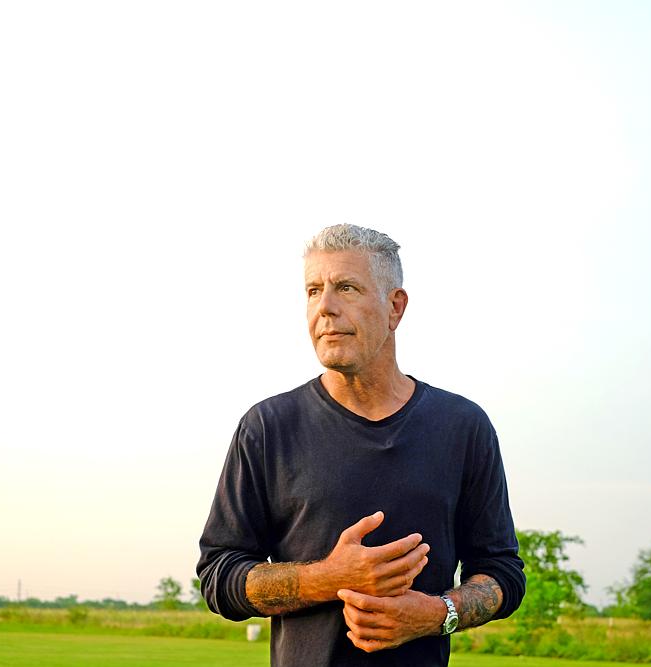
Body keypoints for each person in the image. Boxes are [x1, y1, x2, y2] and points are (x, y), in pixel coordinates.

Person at [197, 224, 525, 666]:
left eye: (346, 288)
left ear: (395, 307)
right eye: (313, 291)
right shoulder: (267, 427)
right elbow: (219, 576)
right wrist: (328, 577)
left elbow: (502, 572)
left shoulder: (463, 427)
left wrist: (436, 614)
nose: (325, 307)